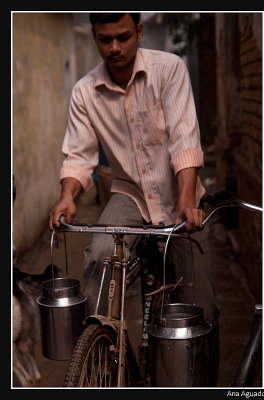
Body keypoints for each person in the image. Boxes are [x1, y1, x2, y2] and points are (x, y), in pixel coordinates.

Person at [49, 13, 219, 385]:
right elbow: (79, 156)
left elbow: (184, 140)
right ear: (94, 36)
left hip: (180, 197)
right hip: (130, 196)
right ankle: (110, 356)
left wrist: (188, 200)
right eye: (105, 39)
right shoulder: (84, 91)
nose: (114, 47)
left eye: (123, 37)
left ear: (139, 31)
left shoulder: (168, 70)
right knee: (96, 259)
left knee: (199, 310)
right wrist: (67, 196)